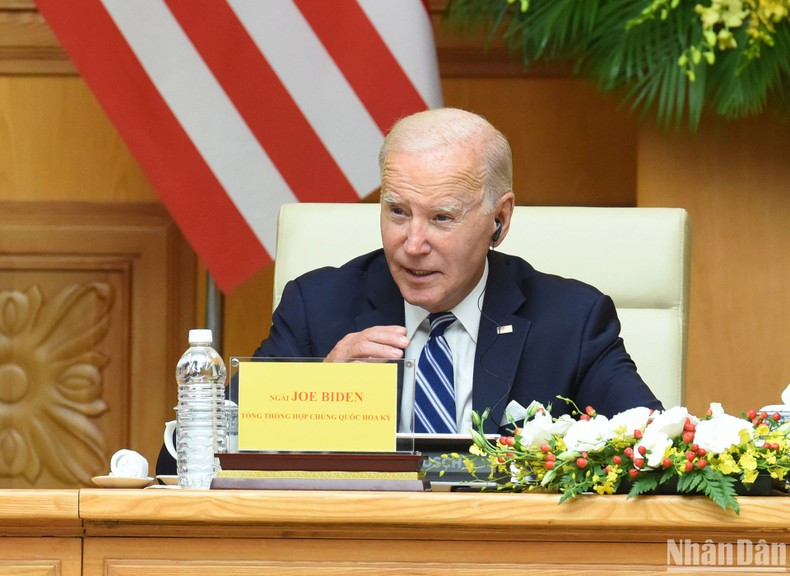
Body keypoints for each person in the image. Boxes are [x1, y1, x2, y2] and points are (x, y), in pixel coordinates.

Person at [252, 107, 662, 434]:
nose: (413, 245)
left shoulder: (571, 321)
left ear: (499, 219)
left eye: (442, 218)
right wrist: (318, 393)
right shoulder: (316, 306)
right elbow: (227, 440)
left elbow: (656, 449)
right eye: (398, 212)